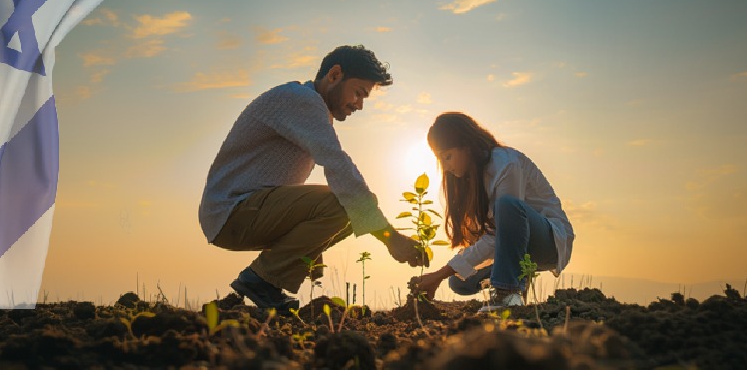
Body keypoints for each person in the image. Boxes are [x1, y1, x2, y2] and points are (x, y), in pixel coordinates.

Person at [199, 45, 426, 309]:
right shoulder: (300, 99)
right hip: (232, 211)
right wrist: (391, 238)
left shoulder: (310, 108)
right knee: (345, 202)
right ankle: (260, 279)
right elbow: (339, 166)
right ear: (335, 75)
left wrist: (310, 251)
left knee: (354, 211)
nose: (359, 105)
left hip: (239, 213)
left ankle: (265, 281)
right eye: (358, 93)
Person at [409, 112, 575, 312]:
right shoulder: (469, 179)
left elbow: (498, 230)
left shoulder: (506, 164)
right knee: (459, 281)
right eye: (440, 159)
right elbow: (492, 236)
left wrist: (439, 274)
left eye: (448, 156)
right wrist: (445, 274)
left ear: (467, 146)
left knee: (507, 205)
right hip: (513, 243)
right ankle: (512, 275)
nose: (445, 167)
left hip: (548, 243)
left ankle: (507, 292)